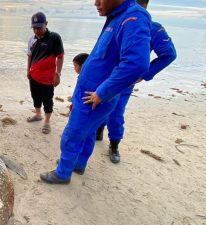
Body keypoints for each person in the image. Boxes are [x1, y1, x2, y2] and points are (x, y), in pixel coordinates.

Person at [40, 0, 152, 184]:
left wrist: (102, 92)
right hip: (90, 94)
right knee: (89, 133)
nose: (96, 2)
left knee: (71, 134)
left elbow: (137, 63)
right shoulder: (117, 16)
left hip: (94, 97)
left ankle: (62, 173)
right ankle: (78, 164)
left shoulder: (133, 17)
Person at [96, 0, 177, 164]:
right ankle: (98, 130)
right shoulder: (116, 20)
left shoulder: (152, 27)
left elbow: (169, 54)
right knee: (99, 103)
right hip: (105, 75)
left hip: (124, 79)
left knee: (116, 112)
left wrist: (146, 74)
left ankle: (114, 144)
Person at [26, 12, 64, 134]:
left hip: (48, 78)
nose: (36, 31)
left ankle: (47, 122)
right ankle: (38, 114)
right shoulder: (32, 39)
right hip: (34, 76)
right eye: (34, 28)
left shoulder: (54, 38)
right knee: (35, 96)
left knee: (48, 99)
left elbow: (60, 57)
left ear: (46, 24)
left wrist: (58, 74)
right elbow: (30, 56)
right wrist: (28, 71)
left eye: (39, 27)